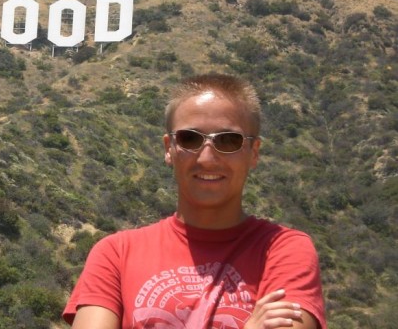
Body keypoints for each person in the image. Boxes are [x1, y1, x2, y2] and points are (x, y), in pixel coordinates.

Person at [62, 73, 325, 329]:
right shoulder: (115, 255)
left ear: (253, 153)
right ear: (169, 148)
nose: (207, 158)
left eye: (228, 140)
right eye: (190, 139)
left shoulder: (283, 251)